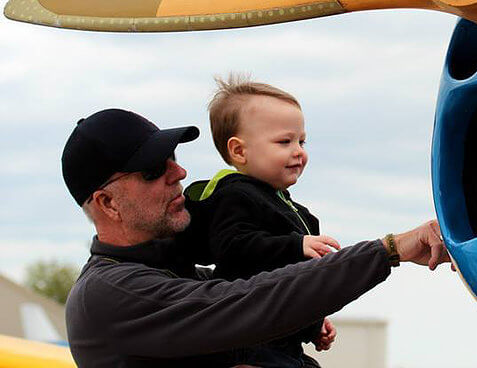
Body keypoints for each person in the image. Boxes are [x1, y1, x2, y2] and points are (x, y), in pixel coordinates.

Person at [62, 108, 449, 368]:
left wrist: (306, 325)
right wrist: (389, 251)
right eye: (152, 170)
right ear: (108, 203)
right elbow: (248, 302)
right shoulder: (110, 293)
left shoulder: (174, 275)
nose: (178, 172)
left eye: (173, 158)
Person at [180, 77, 341, 366]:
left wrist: (313, 324)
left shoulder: (299, 214)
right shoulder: (234, 196)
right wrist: (296, 245)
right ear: (239, 151)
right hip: (248, 339)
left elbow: (292, 282)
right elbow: (234, 248)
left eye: (301, 141)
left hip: (282, 340)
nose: (298, 151)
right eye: (284, 141)